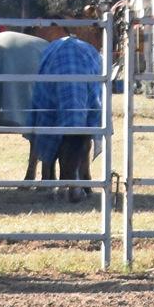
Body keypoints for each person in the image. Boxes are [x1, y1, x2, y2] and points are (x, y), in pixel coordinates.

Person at [30, 19, 103, 201]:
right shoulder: (56, 50)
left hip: (77, 79)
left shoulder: (87, 52)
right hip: (66, 78)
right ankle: (65, 180)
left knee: (76, 137)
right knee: (71, 135)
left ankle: (75, 180)